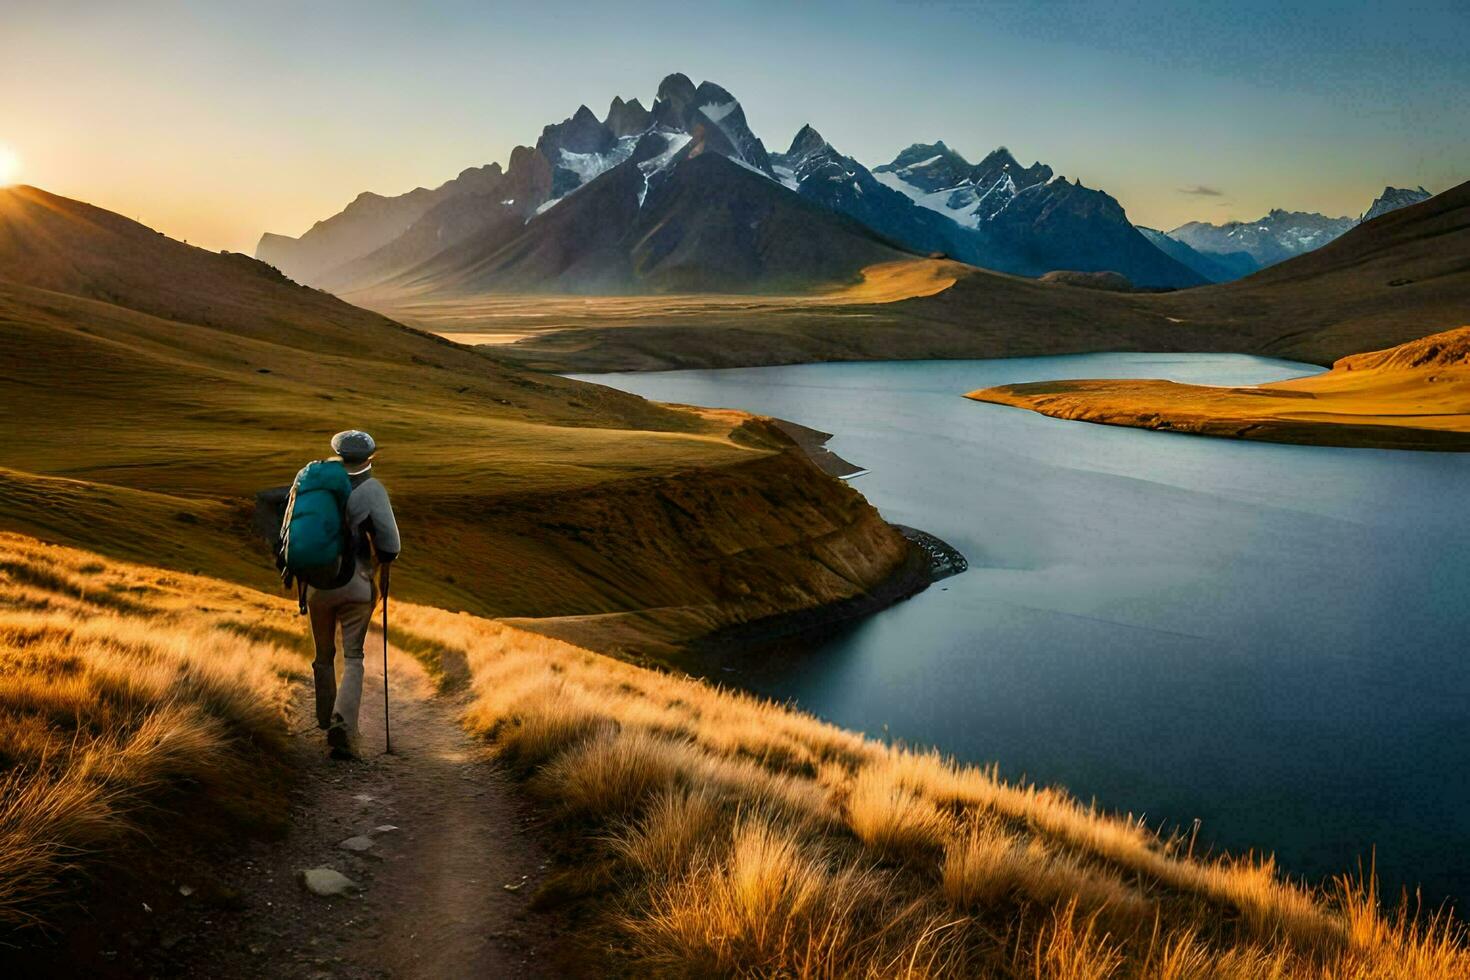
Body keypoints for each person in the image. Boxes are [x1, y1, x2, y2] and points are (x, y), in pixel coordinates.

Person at [304, 430, 399, 759]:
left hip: (316, 585)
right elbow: (391, 545)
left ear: (336, 454)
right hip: (356, 583)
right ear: (369, 458)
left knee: (324, 655)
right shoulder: (372, 488)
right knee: (354, 656)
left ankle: (323, 722)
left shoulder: (311, 481)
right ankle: (343, 726)